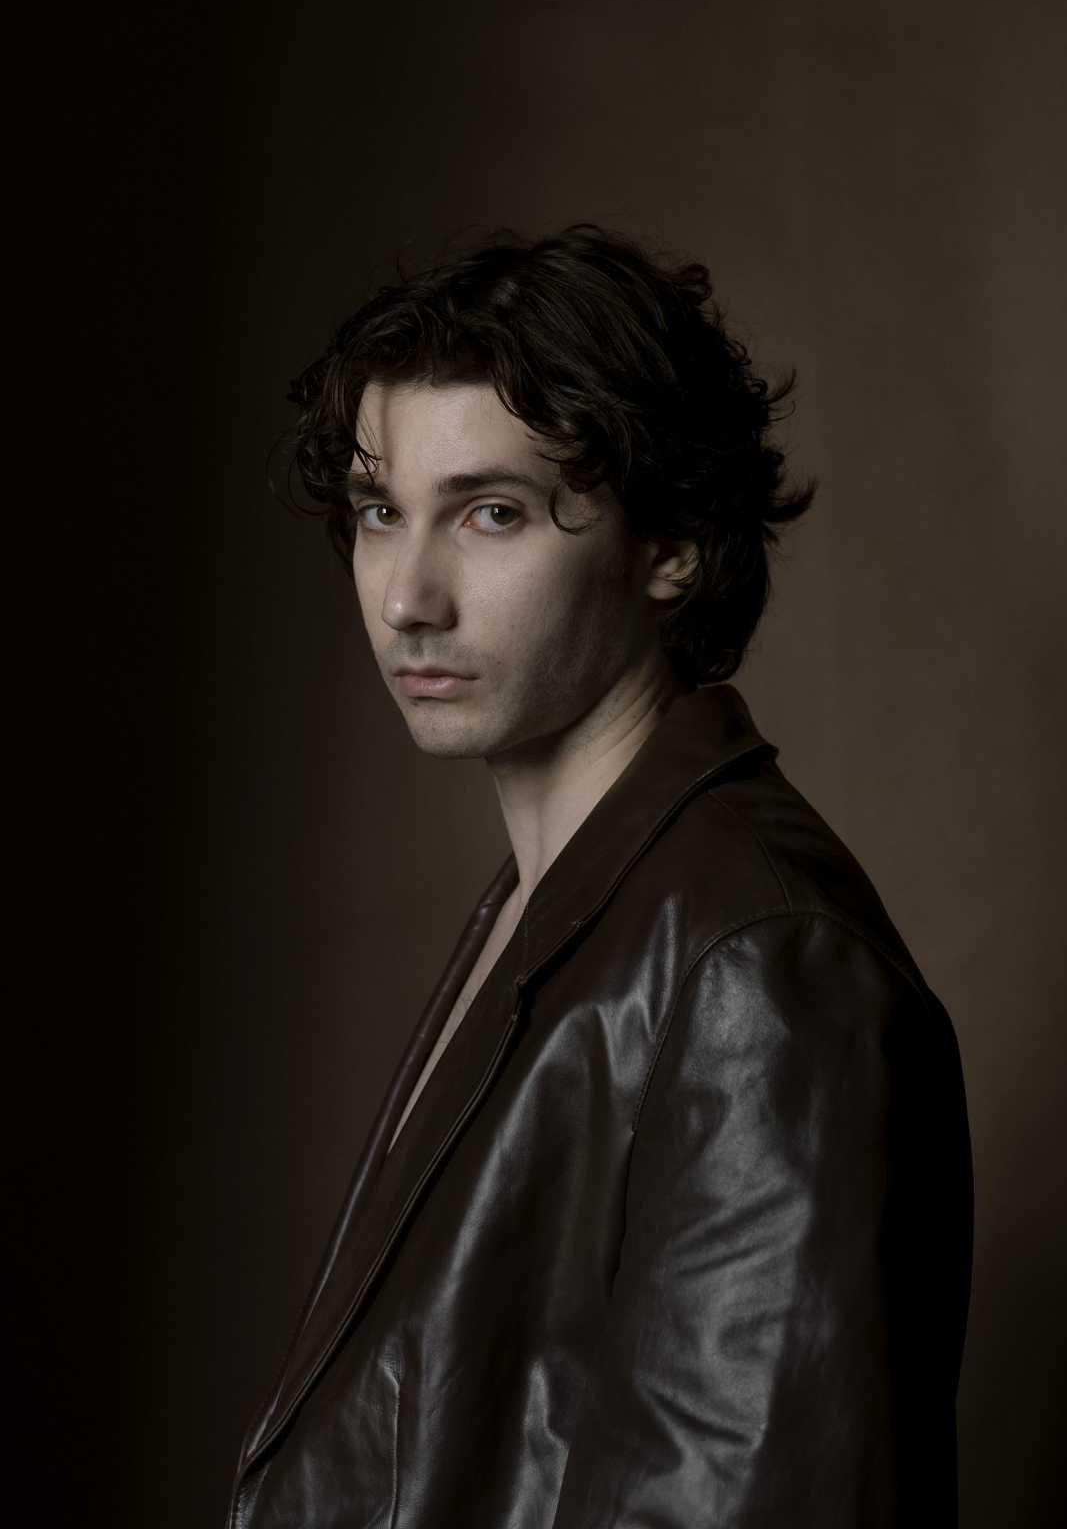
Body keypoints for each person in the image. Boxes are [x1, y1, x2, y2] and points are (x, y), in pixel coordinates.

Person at [226, 222, 973, 1528]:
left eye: (492, 514)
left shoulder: (759, 970)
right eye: (382, 512)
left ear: (671, 544)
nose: (407, 597)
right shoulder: (558, 901)